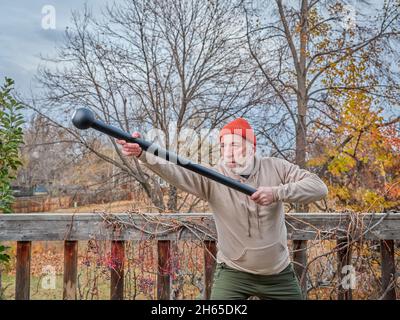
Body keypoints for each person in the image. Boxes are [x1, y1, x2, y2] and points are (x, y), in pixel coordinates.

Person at [116, 118, 328, 300]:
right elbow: (176, 172)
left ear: (252, 147)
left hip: (278, 274)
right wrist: (143, 154)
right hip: (234, 273)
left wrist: (276, 193)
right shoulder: (213, 176)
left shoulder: (276, 167)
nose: (228, 153)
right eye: (224, 146)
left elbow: (318, 188)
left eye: (235, 145)